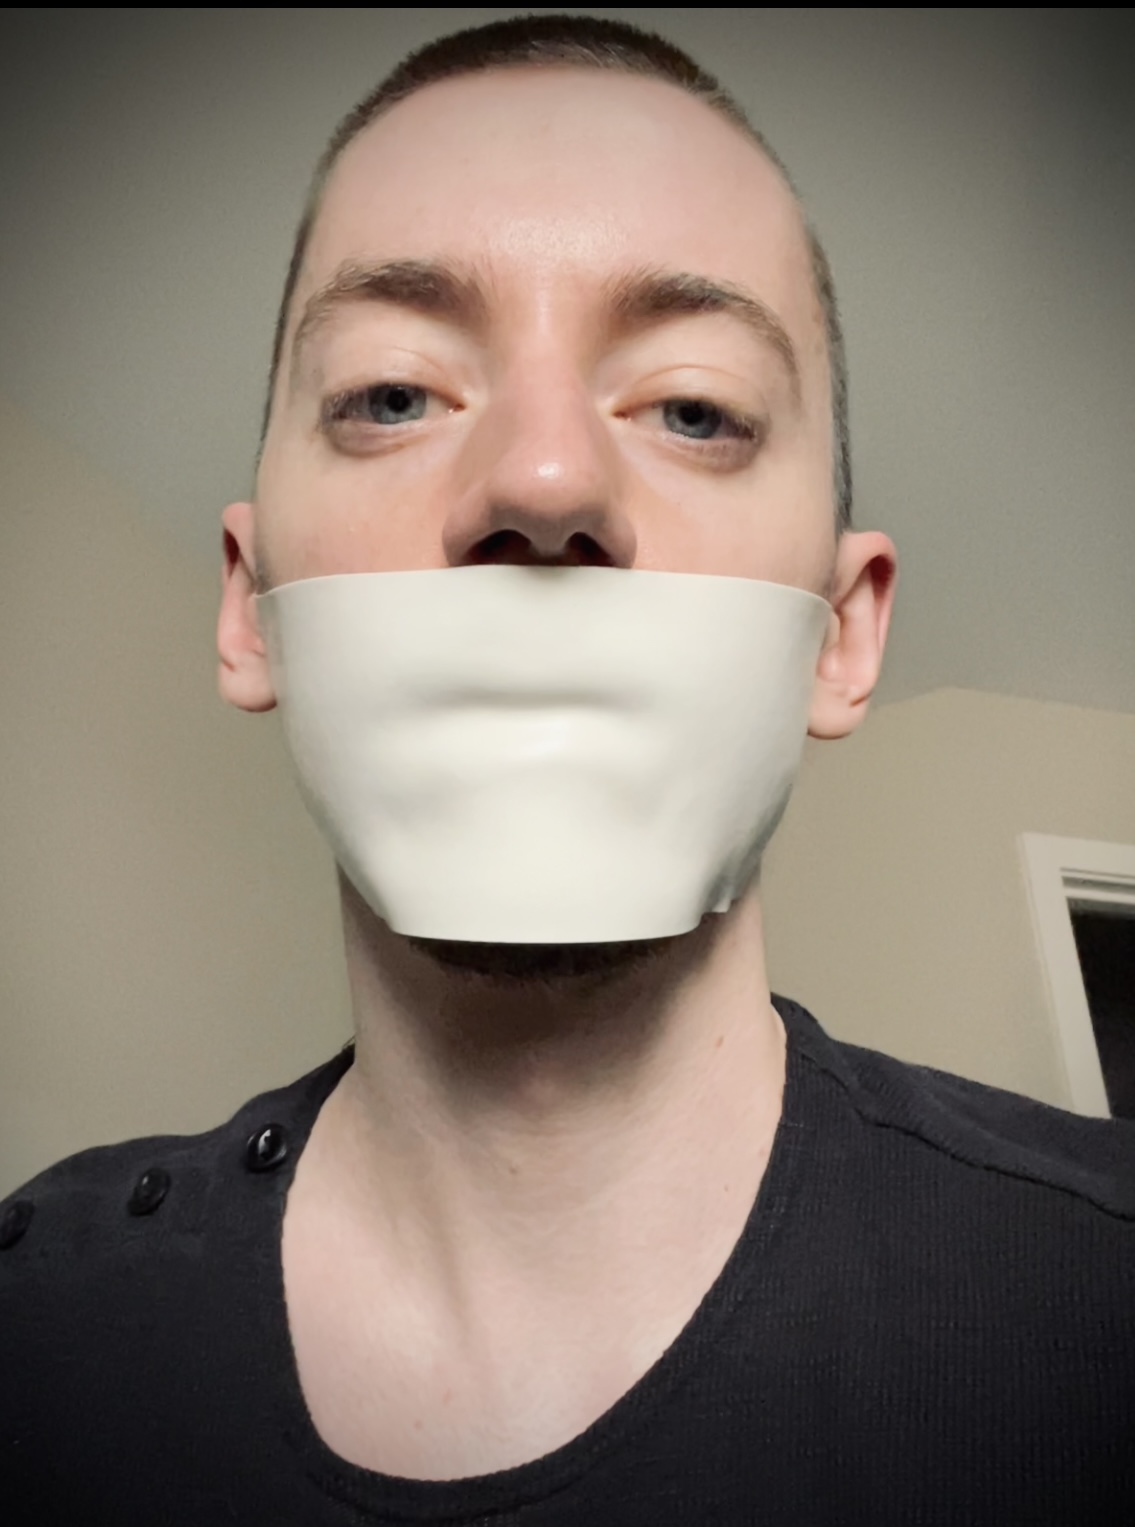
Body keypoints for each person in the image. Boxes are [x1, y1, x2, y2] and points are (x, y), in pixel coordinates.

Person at [2, 14, 1132, 1524]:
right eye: (393, 394)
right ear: (249, 608)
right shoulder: (35, 1335)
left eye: (695, 409)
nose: (543, 481)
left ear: (843, 635)